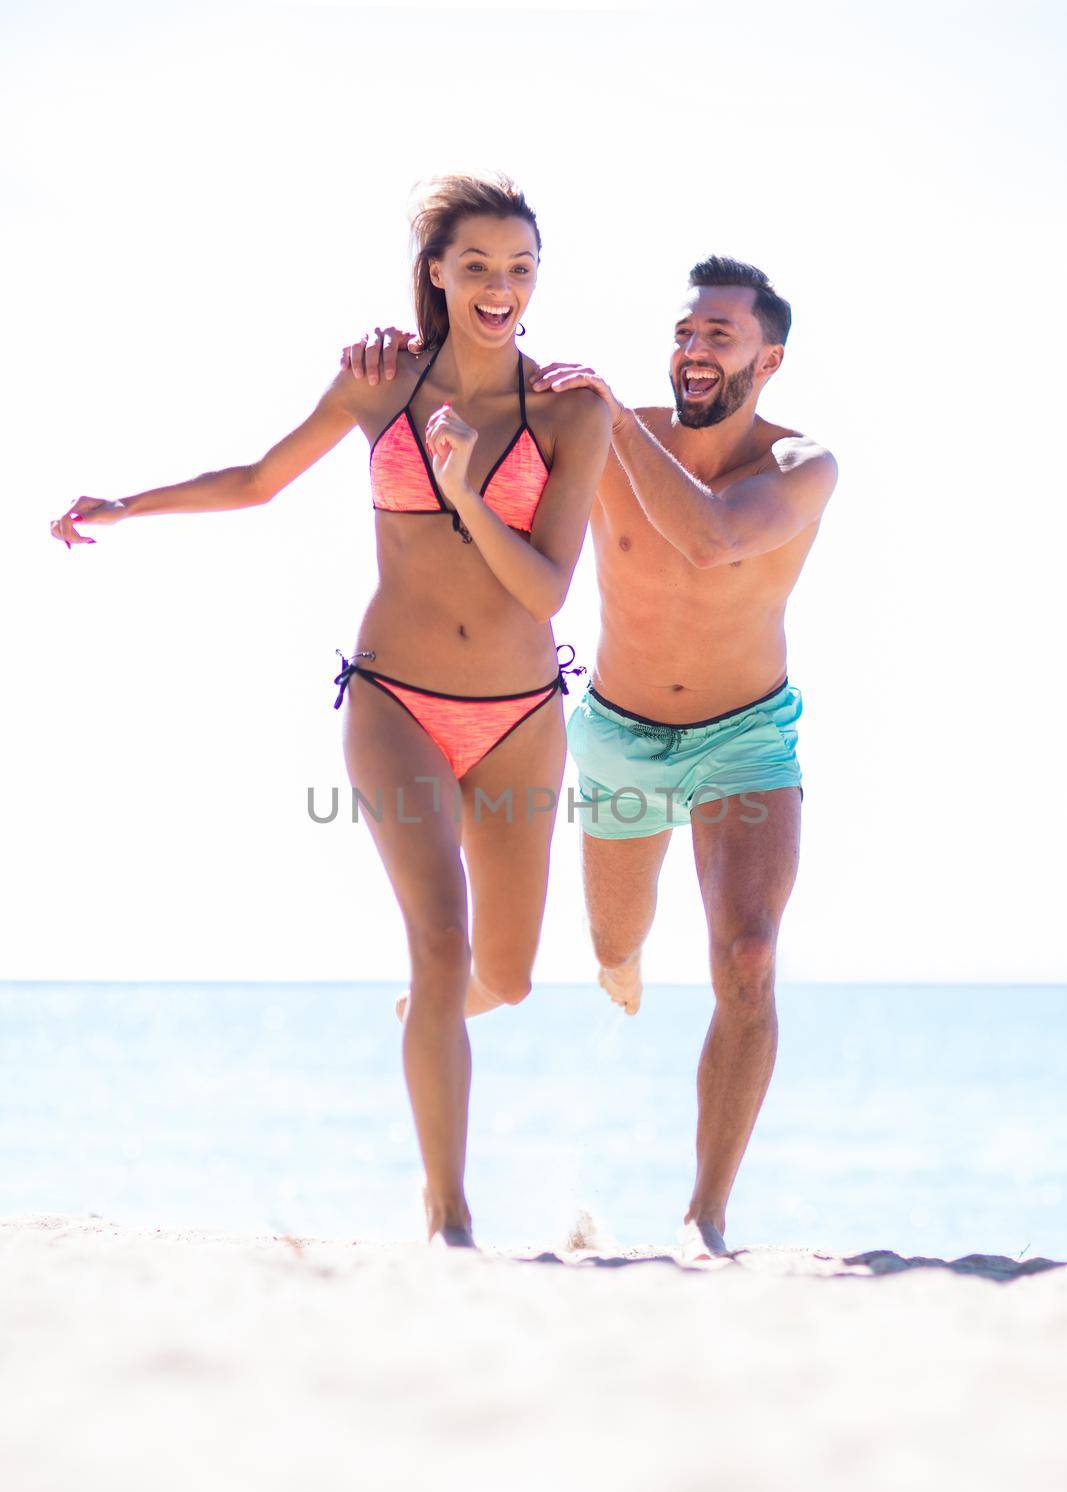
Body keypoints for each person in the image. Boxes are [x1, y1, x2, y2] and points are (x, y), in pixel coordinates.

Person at [49, 174, 611, 1249]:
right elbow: (259, 480)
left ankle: (428, 1020)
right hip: (393, 699)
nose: (500, 285)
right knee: (439, 947)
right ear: (436, 272)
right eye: (477, 264)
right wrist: (127, 506)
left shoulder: (569, 407)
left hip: (519, 717)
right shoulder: (380, 384)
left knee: (508, 974)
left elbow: (544, 588)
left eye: (520, 266)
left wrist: (457, 493)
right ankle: (448, 1211)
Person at [338, 255, 837, 1257]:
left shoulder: (800, 466)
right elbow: (467, 419)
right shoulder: (607, 428)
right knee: (613, 943)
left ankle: (702, 1215)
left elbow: (704, 540)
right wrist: (401, 358)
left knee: (745, 959)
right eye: (686, 332)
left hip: (745, 740)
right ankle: (614, 957)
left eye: (719, 336)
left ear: (767, 358)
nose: (693, 352)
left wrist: (610, 419)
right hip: (618, 735)